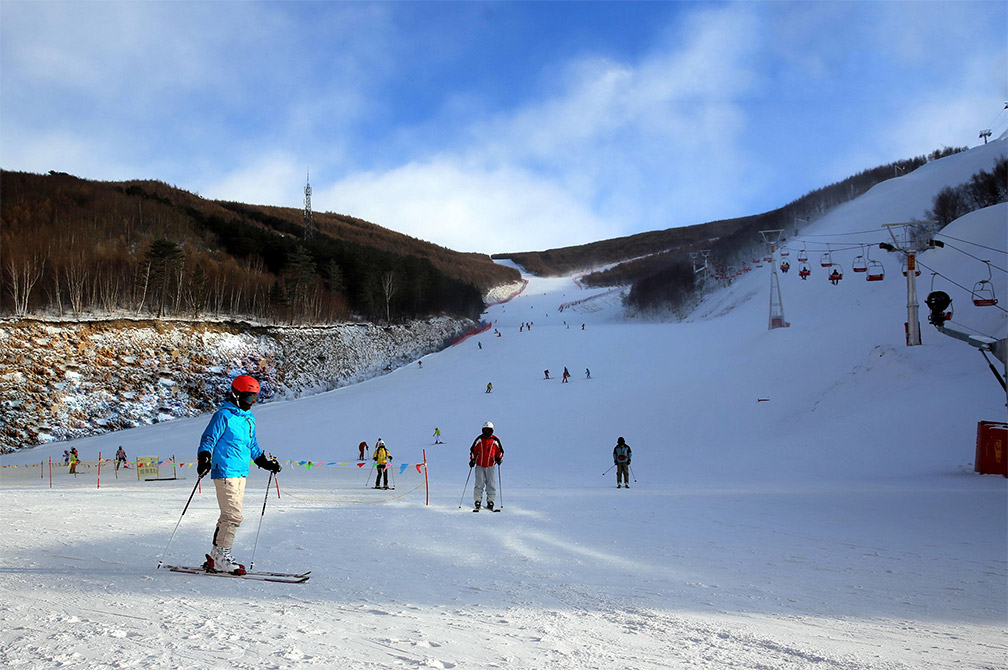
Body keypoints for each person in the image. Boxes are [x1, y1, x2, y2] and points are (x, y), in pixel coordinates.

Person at [197, 374, 281, 575]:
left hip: (242, 472)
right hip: (225, 470)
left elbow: (252, 445)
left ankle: (215, 555)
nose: (251, 402)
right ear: (236, 394)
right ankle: (222, 556)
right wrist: (204, 457)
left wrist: (265, 462)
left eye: (254, 398)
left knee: (227, 516)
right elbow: (208, 439)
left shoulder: (248, 418)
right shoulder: (223, 416)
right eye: (248, 398)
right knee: (233, 515)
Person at [469, 421, 503, 511]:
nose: (487, 432)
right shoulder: (479, 439)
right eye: (485, 430)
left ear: (492, 430)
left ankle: (490, 501)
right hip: (480, 465)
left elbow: (500, 451)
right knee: (479, 483)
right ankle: (477, 500)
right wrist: (472, 460)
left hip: (491, 466)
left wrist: (498, 458)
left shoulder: (495, 440)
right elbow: (473, 450)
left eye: (489, 430)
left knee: (491, 484)